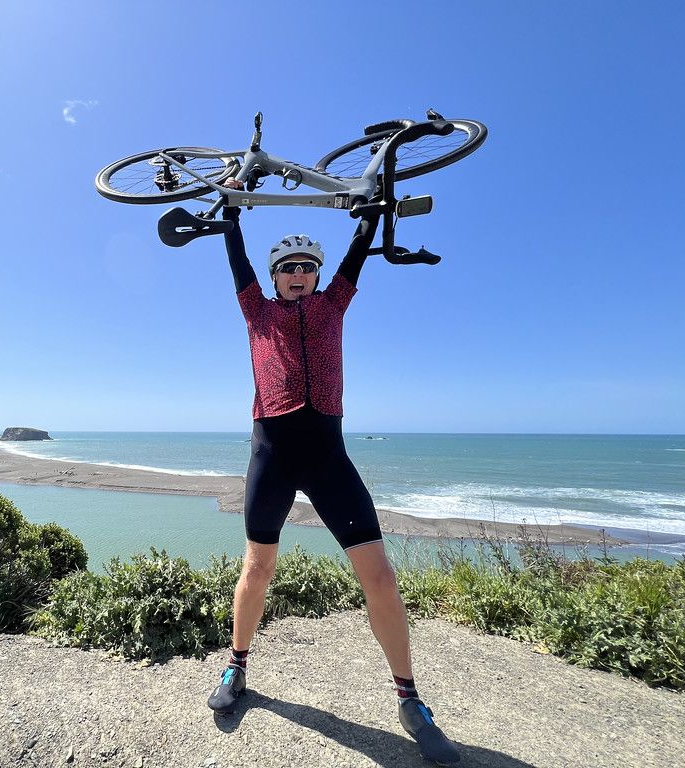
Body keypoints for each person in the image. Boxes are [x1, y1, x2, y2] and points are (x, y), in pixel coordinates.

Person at [206, 181, 460, 766]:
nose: (298, 275)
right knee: (258, 566)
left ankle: (410, 700)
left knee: (379, 575)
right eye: (289, 268)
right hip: (271, 453)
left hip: (327, 455)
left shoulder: (332, 306)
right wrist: (231, 213)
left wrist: (369, 216)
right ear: (273, 277)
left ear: (319, 276)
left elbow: (356, 253)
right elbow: (235, 256)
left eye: (307, 268)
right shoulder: (256, 312)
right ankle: (236, 665)